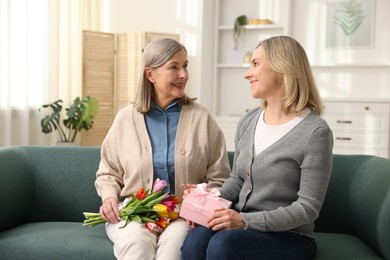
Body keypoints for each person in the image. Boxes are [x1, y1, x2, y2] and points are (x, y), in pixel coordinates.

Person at [181, 35, 333, 260]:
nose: (247, 74)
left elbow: (307, 208)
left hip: (290, 236)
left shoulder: (315, 132)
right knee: (195, 239)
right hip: (242, 226)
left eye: (255, 64)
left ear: (282, 66)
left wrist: (245, 221)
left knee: (224, 244)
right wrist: (206, 198)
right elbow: (238, 180)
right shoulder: (249, 120)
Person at [94, 38, 231, 260]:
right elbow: (108, 171)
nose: (184, 75)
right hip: (134, 215)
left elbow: (221, 177)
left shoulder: (202, 118)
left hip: (182, 217)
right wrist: (109, 198)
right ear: (150, 75)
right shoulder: (126, 118)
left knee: (173, 250)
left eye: (185, 66)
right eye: (174, 67)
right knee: (137, 244)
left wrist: (199, 202)